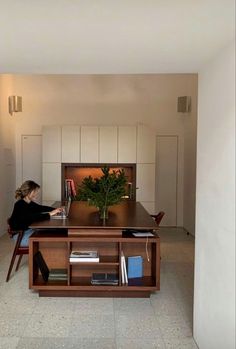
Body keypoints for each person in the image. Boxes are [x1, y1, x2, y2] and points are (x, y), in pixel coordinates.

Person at [9, 180, 64, 246]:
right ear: (28, 192)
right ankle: (48, 254)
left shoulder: (29, 203)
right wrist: (50, 214)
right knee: (51, 236)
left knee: (55, 231)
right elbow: (32, 217)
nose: (36, 194)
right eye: (35, 191)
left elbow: (41, 208)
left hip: (27, 231)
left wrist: (56, 209)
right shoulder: (19, 204)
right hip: (21, 237)